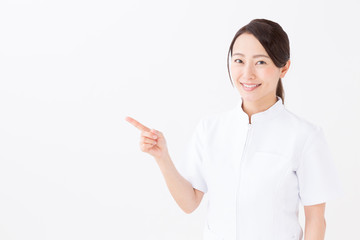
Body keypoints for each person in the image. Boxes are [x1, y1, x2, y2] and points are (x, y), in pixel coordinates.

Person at [125, 18, 344, 240]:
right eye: (239, 60)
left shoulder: (305, 136)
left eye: (260, 62)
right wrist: (162, 157)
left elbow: (316, 219)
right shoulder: (210, 129)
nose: (247, 73)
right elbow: (189, 203)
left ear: (284, 67)